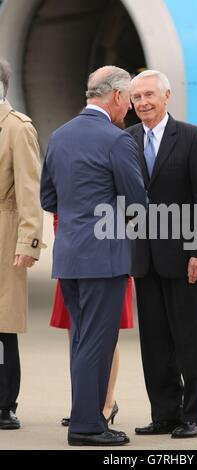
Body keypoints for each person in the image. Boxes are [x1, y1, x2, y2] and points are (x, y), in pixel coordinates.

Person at [40, 66, 147, 447]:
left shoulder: (60, 135)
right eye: (129, 99)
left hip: (69, 255)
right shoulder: (116, 140)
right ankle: (86, 425)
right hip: (104, 257)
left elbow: (48, 199)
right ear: (116, 97)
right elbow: (137, 203)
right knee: (98, 341)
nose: (130, 109)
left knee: (83, 340)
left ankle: (90, 420)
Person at [127, 70, 197, 438]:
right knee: (154, 341)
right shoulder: (127, 139)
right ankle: (164, 413)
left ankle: (194, 415)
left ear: (166, 96)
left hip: (184, 259)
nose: (143, 102)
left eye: (149, 94)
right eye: (136, 97)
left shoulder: (193, 138)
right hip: (144, 258)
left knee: (189, 340)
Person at [51, 213, 133, 426]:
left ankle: (107, 402)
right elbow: (55, 208)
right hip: (71, 256)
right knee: (75, 333)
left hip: (107, 255)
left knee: (105, 335)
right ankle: (83, 403)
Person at [0, 58, 44, 430]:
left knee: (2, 323)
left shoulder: (16, 128)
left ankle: (3, 404)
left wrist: (29, 241)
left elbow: (30, 189)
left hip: (3, 233)